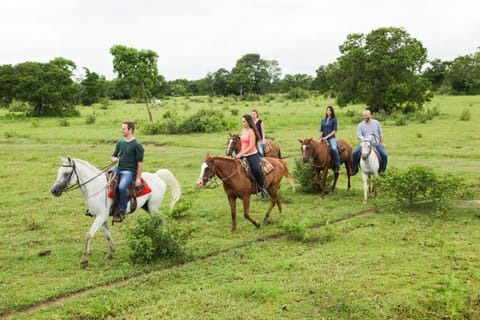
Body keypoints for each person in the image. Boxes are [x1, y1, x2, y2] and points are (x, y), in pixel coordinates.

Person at [111, 121, 144, 222]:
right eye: (122, 128)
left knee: (121, 187)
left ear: (130, 130)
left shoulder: (137, 145)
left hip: (129, 172)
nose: (122, 130)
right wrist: (113, 159)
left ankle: (121, 211)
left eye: (124, 129)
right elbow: (113, 156)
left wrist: (138, 178)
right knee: (105, 177)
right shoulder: (120, 142)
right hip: (119, 168)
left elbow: (140, 163)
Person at [234, 114, 268, 198]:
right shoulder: (243, 130)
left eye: (244, 121)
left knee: (256, 170)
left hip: (252, 155)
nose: (242, 123)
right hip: (244, 153)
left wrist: (241, 154)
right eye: (242, 121)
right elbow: (243, 144)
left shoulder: (252, 131)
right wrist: (239, 153)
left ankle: (263, 188)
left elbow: (251, 146)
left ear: (248, 122)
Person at [351, 109, 388, 175]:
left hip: (375, 143)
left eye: (366, 115)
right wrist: (364, 139)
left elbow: (380, 134)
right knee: (354, 153)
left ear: (370, 115)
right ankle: (354, 169)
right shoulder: (360, 125)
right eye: (363, 115)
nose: (364, 117)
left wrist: (382, 143)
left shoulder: (376, 123)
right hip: (365, 144)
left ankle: (382, 170)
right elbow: (359, 135)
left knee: (384, 155)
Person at [319, 105, 341, 173]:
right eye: (327, 110)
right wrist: (321, 136)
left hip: (331, 138)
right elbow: (321, 129)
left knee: (334, 148)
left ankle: (337, 165)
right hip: (323, 137)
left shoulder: (334, 120)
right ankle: (314, 166)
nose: (328, 111)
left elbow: (334, 131)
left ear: (332, 112)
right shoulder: (323, 120)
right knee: (315, 147)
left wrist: (326, 137)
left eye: (330, 110)